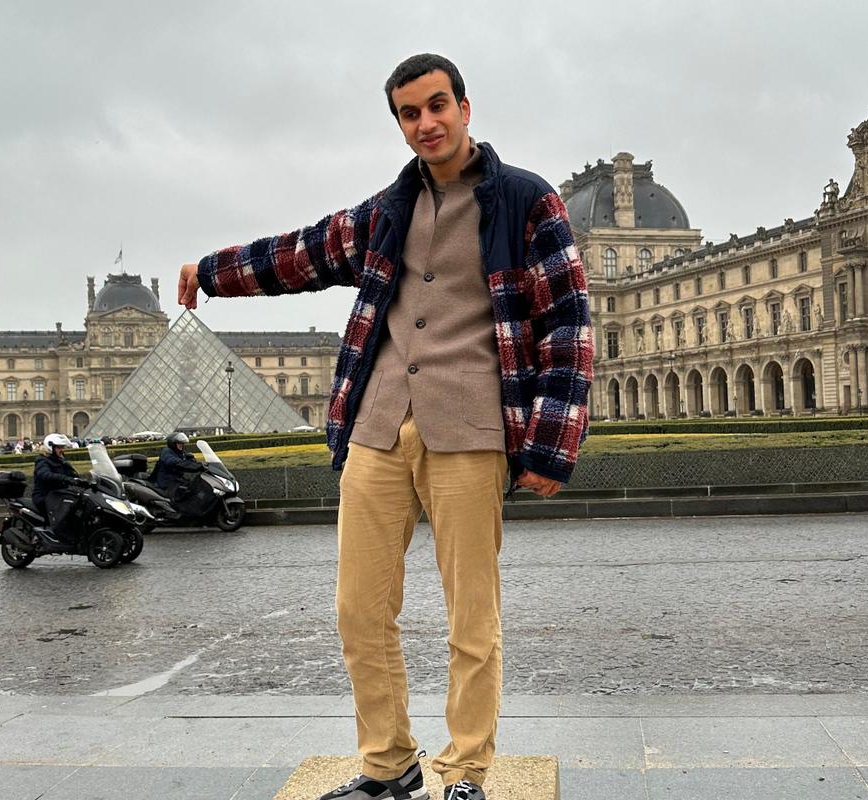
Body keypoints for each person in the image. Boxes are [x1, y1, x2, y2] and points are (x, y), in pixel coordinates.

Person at [178, 54, 592, 800]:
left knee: (472, 617)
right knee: (358, 609)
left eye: (437, 106)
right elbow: (298, 254)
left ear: (466, 107)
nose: (426, 123)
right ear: (399, 123)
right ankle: (388, 762)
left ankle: (464, 771)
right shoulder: (385, 212)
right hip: (376, 425)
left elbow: (567, 325)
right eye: (410, 113)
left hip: (469, 430)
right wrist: (211, 271)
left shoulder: (529, 201)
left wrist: (549, 448)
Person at [32, 433, 82, 540]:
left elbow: (71, 473)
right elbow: (45, 475)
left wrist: (79, 479)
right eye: (59, 447)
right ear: (51, 447)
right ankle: (60, 536)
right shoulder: (42, 460)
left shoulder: (59, 460)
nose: (61, 450)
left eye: (62, 447)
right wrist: (64, 478)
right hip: (44, 496)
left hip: (57, 494)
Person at [151, 432, 198, 496]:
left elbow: (186, 458)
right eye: (179, 443)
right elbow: (171, 460)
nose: (181, 445)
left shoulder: (180, 452)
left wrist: (197, 463)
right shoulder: (166, 451)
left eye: (182, 443)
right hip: (166, 481)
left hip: (176, 479)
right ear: (172, 443)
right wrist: (183, 463)